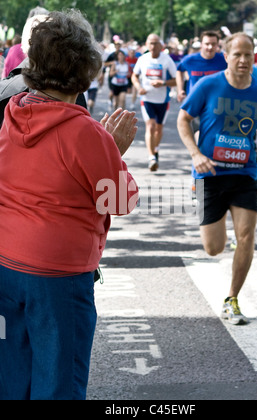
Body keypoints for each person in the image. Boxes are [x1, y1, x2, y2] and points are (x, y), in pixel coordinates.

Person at [0, 10, 138, 400]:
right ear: (86, 70)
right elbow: (119, 200)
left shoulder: (13, 112)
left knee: (11, 372)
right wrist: (114, 150)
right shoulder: (86, 133)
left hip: (6, 267)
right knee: (59, 379)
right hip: (58, 277)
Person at [177, 32, 257, 325]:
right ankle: (195, 187)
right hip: (209, 172)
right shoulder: (208, 85)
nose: (243, 60)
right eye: (237, 54)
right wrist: (196, 155)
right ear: (226, 56)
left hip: (245, 172)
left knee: (247, 236)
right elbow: (183, 119)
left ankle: (232, 298)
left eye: (248, 55)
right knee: (214, 248)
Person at [132, 33, 177, 171]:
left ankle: (155, 149)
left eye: (155, 43)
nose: (152, 46)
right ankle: (151, 157)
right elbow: (134, 76)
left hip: (163, 100)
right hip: (147, 99)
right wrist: (139, 88)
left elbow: (176, 80)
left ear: (161, 45)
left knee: (158, 130)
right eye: (150, 43)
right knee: (150, 127)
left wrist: (163, 83)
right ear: (146, 44)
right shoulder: (142, 59)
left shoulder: (167, 60)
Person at [176, 31, 227, 103]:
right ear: (201, 45)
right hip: (194, 101)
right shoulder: (189, 60)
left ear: (217, 45)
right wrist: (180, 89)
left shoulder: (224, 60)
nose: (210, 47)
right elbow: (179, 70)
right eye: (207, 44)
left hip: (216, 102)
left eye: (213, 44)